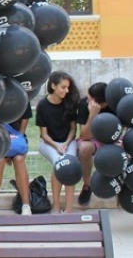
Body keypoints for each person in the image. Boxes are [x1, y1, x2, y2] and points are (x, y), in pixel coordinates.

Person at [36, 71, 80, 214]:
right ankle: (55, 206)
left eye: (68, 87)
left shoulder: (70, 103)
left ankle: (68, 209)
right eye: (63, 87)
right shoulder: (42, 105)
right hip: (49, 143)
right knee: (59, 164)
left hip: (68, 141)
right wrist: (57, 146)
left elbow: (73, 130)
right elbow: (44, 134)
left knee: (70, 166)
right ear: (53, 86)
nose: (66, 91)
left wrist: (66, 144)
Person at [0, 107, 33, 216]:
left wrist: (13, 147)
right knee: (0, 160)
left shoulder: (23, 97)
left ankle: (26, 205)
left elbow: (22, 131)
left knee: (19, 159)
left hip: (17, 138)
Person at [75, 82, 111, 207]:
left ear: (104, 104)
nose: (87, 99)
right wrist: (92, 115)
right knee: (84, 148)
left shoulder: (114, 105)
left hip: (112, 138)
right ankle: (87, 185)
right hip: (92, 138)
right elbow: (84, 136)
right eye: (88, 95)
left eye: (90, 98)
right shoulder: (84, 104)